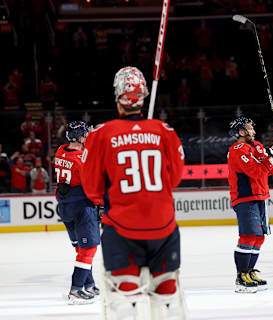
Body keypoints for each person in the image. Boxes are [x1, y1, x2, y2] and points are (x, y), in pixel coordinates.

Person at [80, 66, 188, 318]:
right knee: (167, 297)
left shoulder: (100, 135)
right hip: (164, 227)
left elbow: (92, 189)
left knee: (122, 297)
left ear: (118, 97)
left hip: (121, 228)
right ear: (143, 97)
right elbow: (174, 178)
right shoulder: (165, 131)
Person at [227, 117, 273, 293]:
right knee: (248, 236)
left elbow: (269, 169)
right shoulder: (237, 150)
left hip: (260, 196)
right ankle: (241, 276)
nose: (253, 131)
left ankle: (249, 271)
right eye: (249, 128)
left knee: (259, 237)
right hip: (245, 197)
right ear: (241, 132)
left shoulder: (257, 147)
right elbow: (256, 171)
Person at [54, 121, 100, 304]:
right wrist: (101, 204)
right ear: (81, 138)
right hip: (82, 206)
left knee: (81, 248)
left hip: (66, 206)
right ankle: (75, 290)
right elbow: (92, 185)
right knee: (89, 248)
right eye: (85, 135)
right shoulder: (81, 159)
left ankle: (89, 285)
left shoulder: (60, 151)